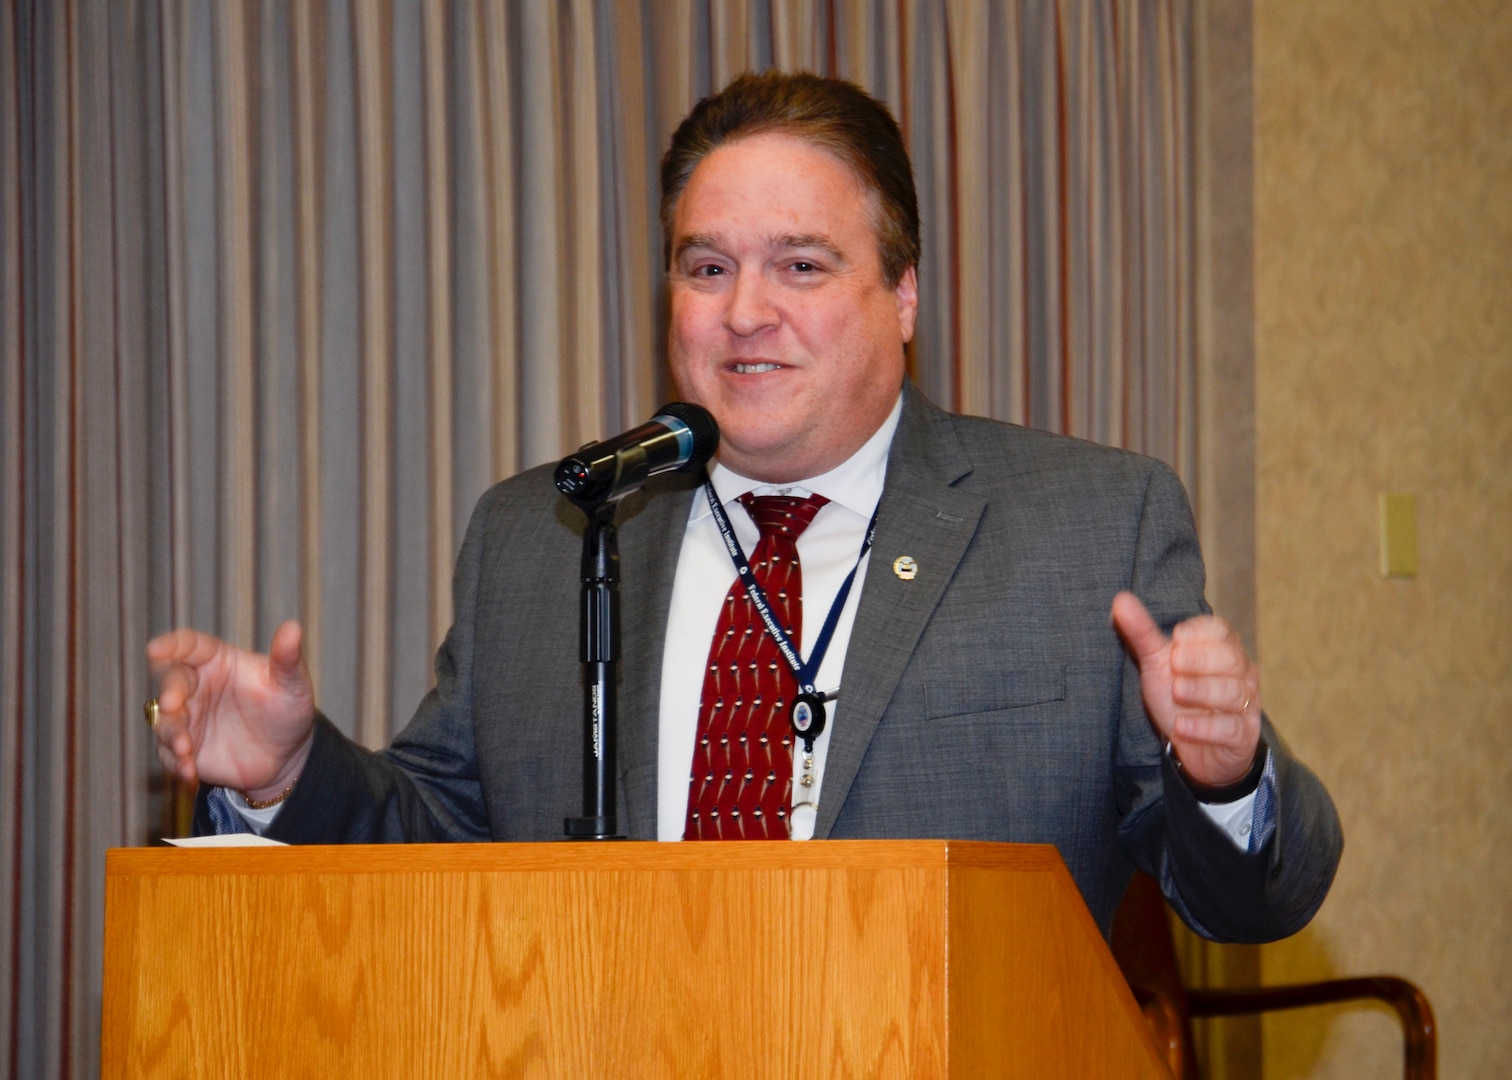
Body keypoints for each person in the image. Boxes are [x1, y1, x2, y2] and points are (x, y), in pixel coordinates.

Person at [147, 71, 1340, 941]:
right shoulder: (549, 535)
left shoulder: (1088, 526)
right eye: (706, 266)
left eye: (802, 265)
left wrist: (1227, 775)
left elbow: (1250, 904)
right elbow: (436, 853)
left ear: (904, 294)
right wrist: (286, 777)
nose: (743, 311)